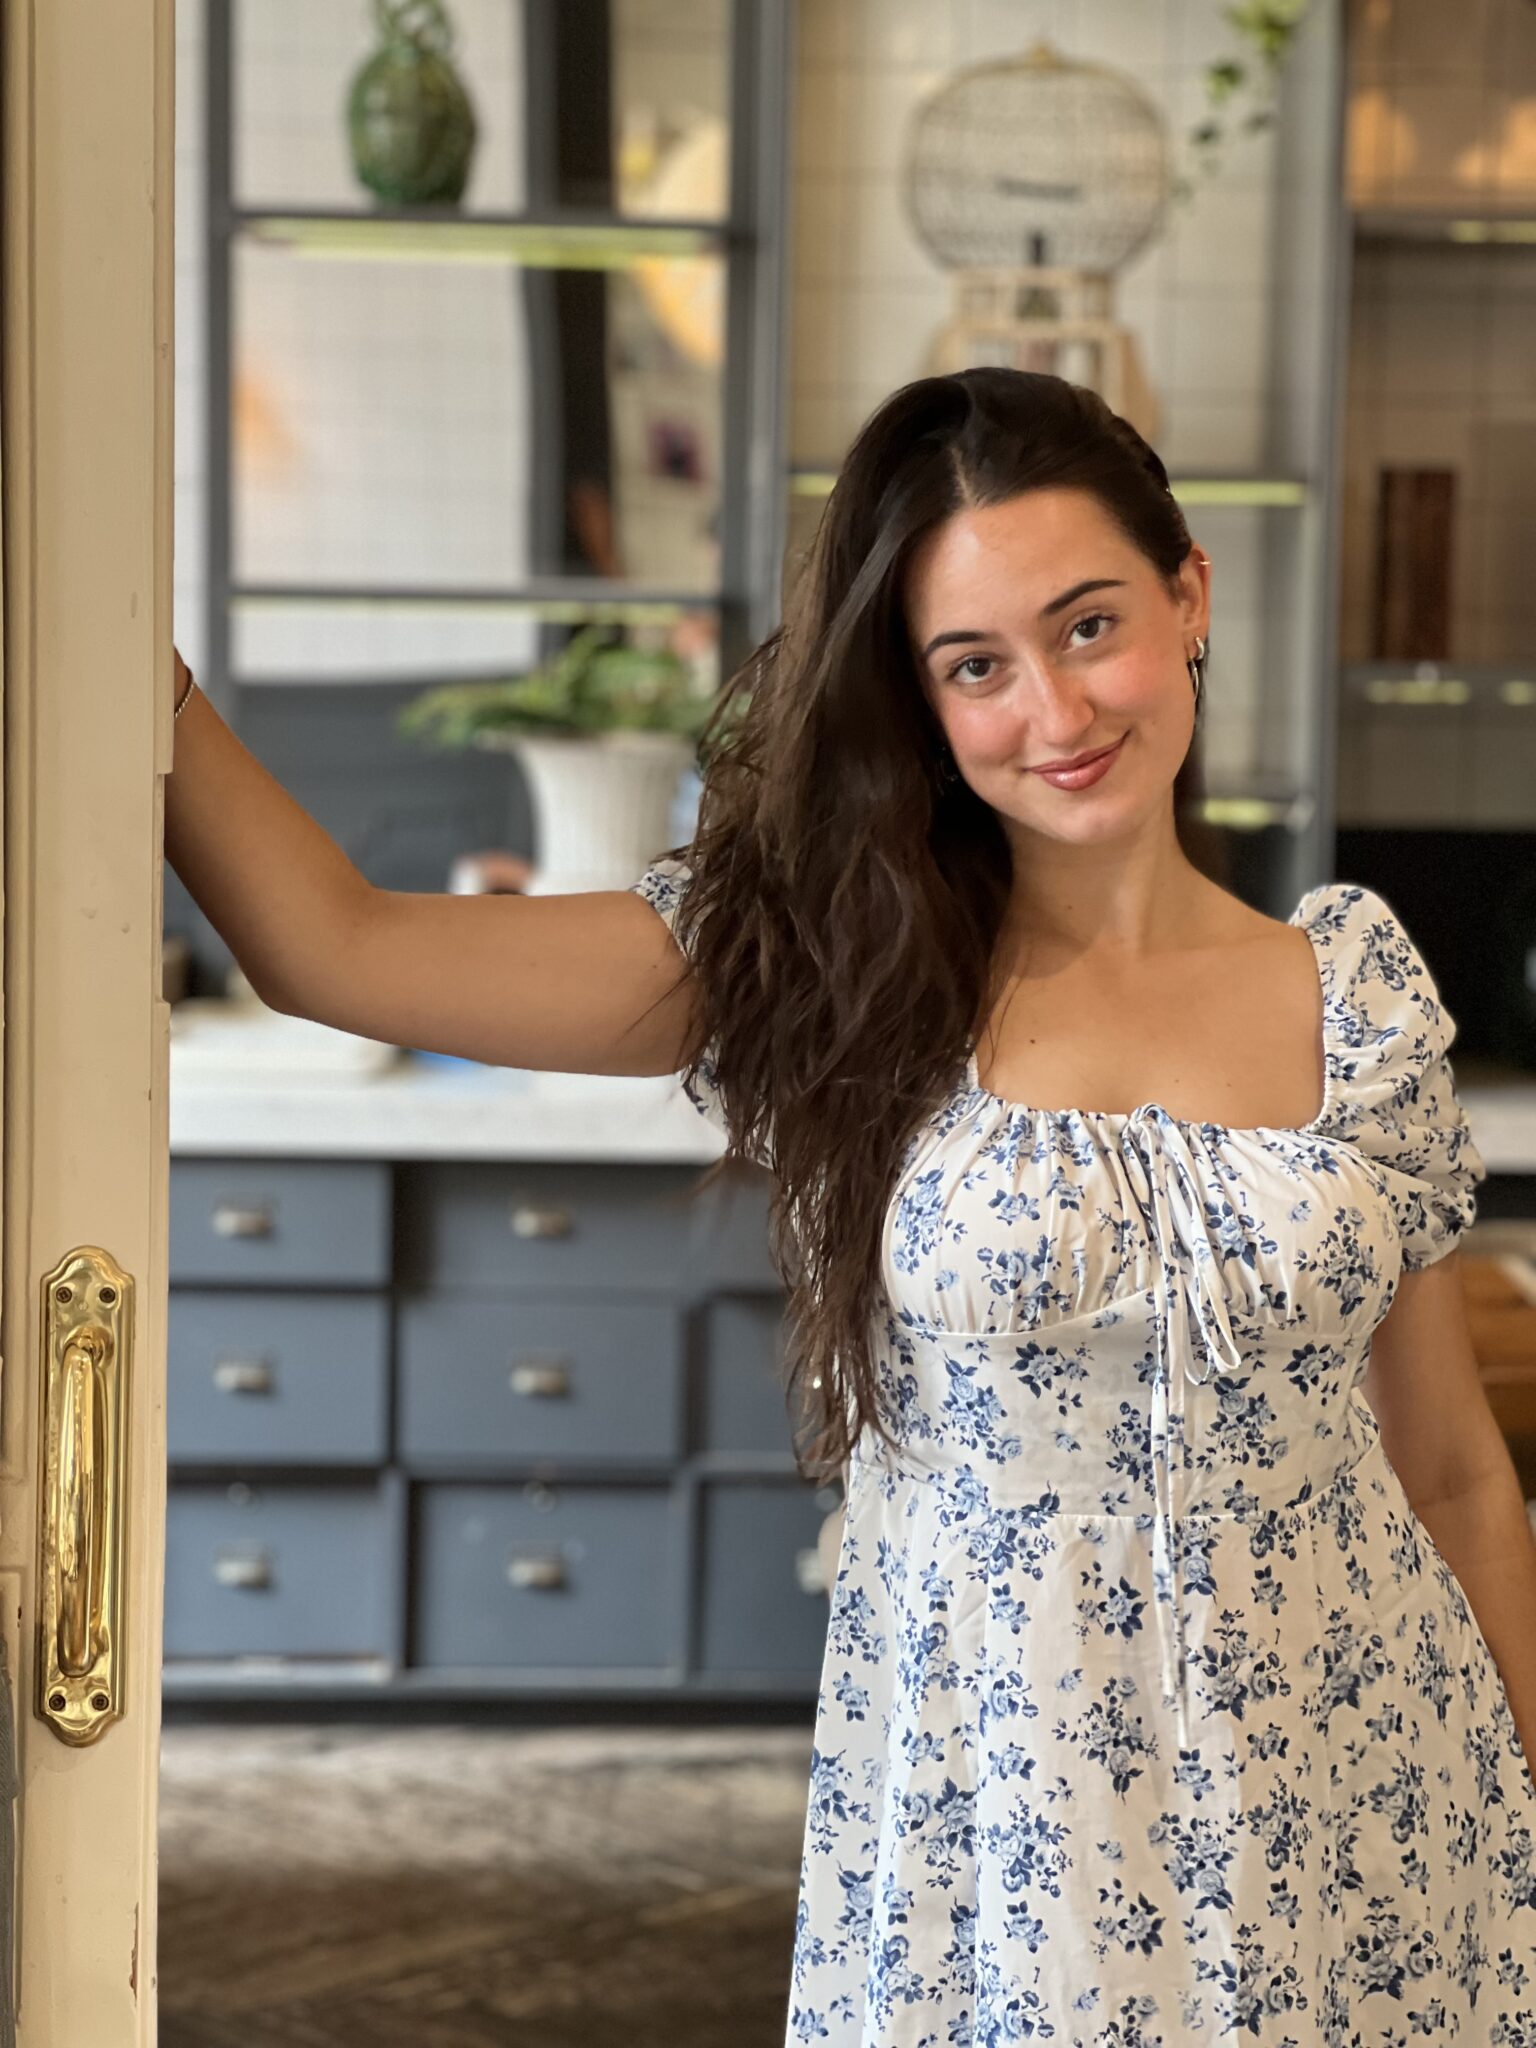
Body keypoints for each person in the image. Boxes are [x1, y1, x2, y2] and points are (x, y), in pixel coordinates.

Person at [166, 367, 1536, 2043]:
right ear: (924, 704)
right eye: (977, 665)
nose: (1055, 708)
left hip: (1370, 1793)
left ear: (1188, 599)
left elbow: (1453, 1472)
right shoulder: (832, 966)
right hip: (1009, 1815)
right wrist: (124, 659)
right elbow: (335, 949)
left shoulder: (1356, 986)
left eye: (1088, 624)